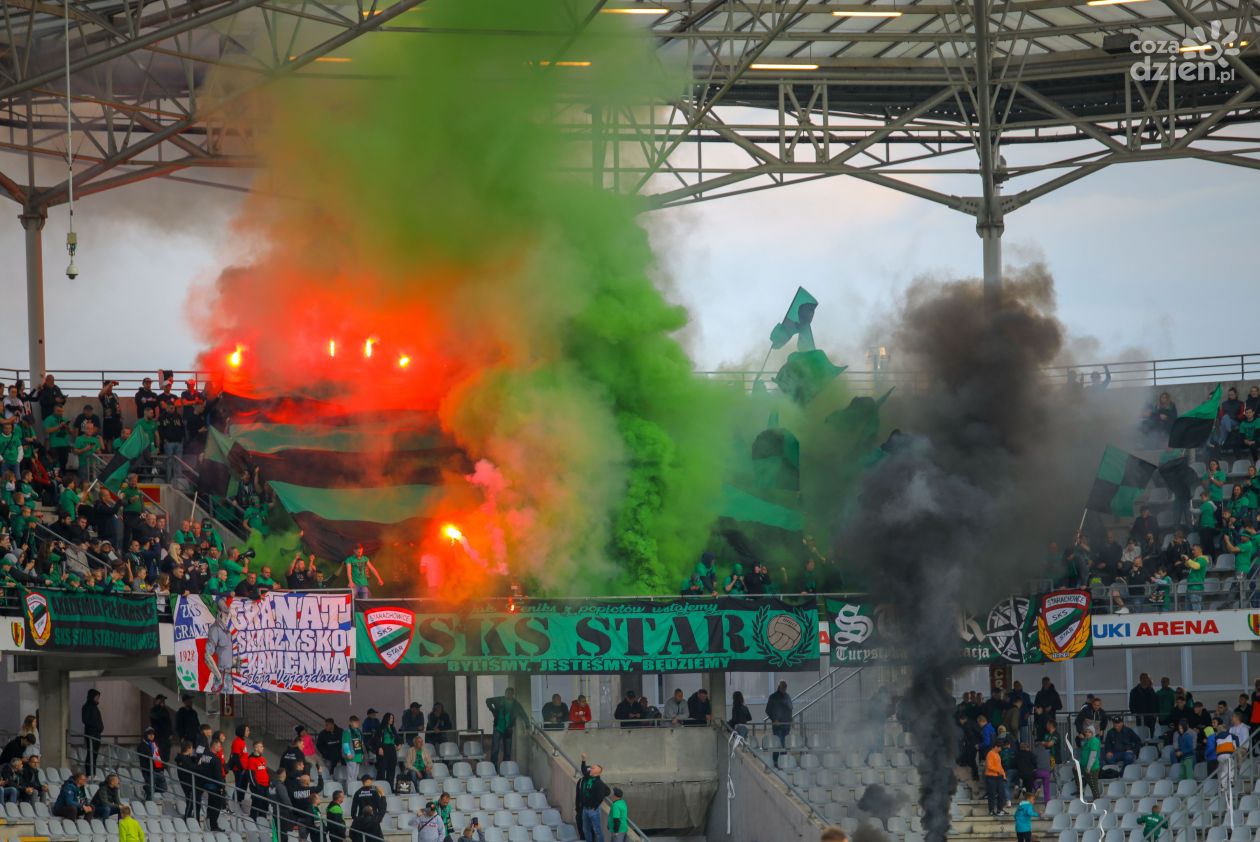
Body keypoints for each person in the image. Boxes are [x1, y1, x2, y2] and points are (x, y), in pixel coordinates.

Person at [485, 688, 526, 765]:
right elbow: (488, 700)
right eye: (507, 693)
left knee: (507, 751)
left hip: (508, 729)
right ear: (505, 693)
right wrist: (493, 710)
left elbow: (523, 713)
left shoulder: (515, 704)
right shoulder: (499, 699)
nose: (508, 694)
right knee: (495, 749)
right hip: (498, 728)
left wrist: (527, 725)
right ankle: (493, 768)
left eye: (510, 693)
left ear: (513, 694)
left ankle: (505, 768)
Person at [576, 752, 610, 842]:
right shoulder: (588, 777)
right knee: (586, 830)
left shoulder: (599, 783)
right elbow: (584, 770)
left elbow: (602, 795)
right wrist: (583, 760)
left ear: (597, 772)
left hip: (593, 810)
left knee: (597, 831)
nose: (590, 769)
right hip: (585, 809)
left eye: (593, 768)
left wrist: (595, 805)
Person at [371, 712, 399, 792]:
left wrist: (399, 744)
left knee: (392, 769)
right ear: (386, 719)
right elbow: (377, 738)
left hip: (392, 749)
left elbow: (397, 738)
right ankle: (380, 788)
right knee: (382, 768)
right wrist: (379, 747)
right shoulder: (381, 728)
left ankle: (390, 788)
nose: (391, 720)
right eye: (390, 718)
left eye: (392, 718)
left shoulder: (393, 728)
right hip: (383, 748)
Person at [138, 727, 167, 800]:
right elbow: (145, 757)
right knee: (150, 793)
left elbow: (160, 756)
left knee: (163, 788)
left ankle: (147, 788)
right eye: (149, 734)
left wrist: (162, 768)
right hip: (149, 771)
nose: (152, 736)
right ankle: (148, 801)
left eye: (153, 734)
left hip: (159, 770)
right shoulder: (142, 745)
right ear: (146, 735)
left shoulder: (155, 744)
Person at [245, 740, 272, 820]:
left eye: (262, 746)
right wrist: (256, 786)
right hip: (258, 786)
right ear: (256, 748)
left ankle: (262, 820)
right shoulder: (251, 759)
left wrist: (268, 782)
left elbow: (265, 772)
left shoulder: (262, 759)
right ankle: (252, 819)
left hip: (265, 786)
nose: (263, 748)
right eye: (261, 746)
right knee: (257, 803)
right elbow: (250, 775)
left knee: (265, 804)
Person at [767, 680, 794, 755]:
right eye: (783, 687)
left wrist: (791, 719)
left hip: (786, 725)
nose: (784, 689)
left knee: (784, 744)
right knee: (777, 743)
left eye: (785, 687)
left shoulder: (787, 696)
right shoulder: (773, 697)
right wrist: (774, 719)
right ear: (779, 687)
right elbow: (768, 710)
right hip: (777, 725)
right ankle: (776, 760)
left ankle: (783, 759)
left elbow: (790, 708)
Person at [174, 740, 198, 819]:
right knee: (190, 799)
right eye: (191, 748)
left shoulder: (184, 758)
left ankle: (188, 815)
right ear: (188, 748)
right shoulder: (184, 759)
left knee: (191, 799)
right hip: (187, 781)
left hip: (186, 780)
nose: (192, 750)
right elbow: (193, 768)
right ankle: (187, 816)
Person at [983, 743, 1006, 817]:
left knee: (1001, 794)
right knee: (992, 794)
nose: (1001, 749)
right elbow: (989, 766)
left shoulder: (997, 754)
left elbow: (1000, 766)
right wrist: (998, 771)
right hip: (991, 777)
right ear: (996, 747)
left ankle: (1000, 809)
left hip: (998, 777)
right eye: (1000, 748)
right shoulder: (990, 754)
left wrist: (1004, 775)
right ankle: (991, 810)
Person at [341, 716, 366, 784]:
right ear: (351, 722)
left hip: (358, 755)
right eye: (355, 722)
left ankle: (354, 788)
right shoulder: (347, 731)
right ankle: (349, 789)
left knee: (355, 775)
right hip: (351, 755)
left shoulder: (358, 731)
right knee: (351, 775)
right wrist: (348, 753)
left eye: (358, 722)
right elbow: (345, 743)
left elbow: (361, 743)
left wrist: (362, 753)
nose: (357, 724)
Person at [1079, 726, 1101, 801]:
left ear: (1093, 733)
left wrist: (1088, 768)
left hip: (1092, 768)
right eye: (1086, 732)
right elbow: (1083, 754)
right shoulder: (1087, 741)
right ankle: (1080, 790)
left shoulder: (1094, 741)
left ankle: (1097, 802)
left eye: (1089, 732)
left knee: (1094, 787)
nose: (1087, 733)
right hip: (1085, 767)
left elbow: (1093, 756)